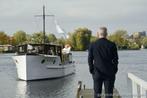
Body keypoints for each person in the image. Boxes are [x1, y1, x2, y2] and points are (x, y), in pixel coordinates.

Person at [88, 27, 119, 98]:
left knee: (97, 94)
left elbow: (90, 59)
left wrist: (92, 70)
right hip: (109, 73)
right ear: (106, 34)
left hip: (97, 73)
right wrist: (114, 70)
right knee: (109, 95)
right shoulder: (112, 45)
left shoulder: (93, 45)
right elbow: (116, 60)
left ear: (98, 34)